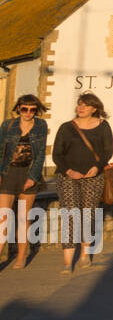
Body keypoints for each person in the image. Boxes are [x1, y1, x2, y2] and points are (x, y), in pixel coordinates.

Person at [51, 93, 113, 274]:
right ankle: (67, 262)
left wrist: (97, 167)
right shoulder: (66, 128)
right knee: (70, 216)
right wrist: (69, 171)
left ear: (94, 108)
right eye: (79, 104)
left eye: (85, 105)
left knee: (88, 215)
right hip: (67, 177)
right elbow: (57, 154)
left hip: (93, 177)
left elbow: (108, 151)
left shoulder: (103, 126)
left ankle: (85, 254)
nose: (81, 108)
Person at [0, 95, 48, 269]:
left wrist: (33, 177)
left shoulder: (41, 125)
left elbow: (41, 153)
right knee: (3, 217)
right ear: (18, 108)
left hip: (28, 173)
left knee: (22, 217)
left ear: (36, 110)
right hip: (8, 173)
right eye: (24, 108)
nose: (28, 112)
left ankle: (21, 256)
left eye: (32, 109)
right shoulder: (8, 125)